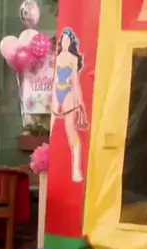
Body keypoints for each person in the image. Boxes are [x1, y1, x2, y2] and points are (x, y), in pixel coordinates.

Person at [51, 28, 87, 183]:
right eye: (63, 39)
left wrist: (79, 102)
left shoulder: (73, 58)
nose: (65, 42)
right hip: (57, 92)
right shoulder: (58, 57)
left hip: (68, 93)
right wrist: (52, 98)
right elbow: (55, 79)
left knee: (70, 130)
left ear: (71, 42)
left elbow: (75, 81)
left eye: (67, 40)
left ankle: (76, 169)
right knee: (52, 126)